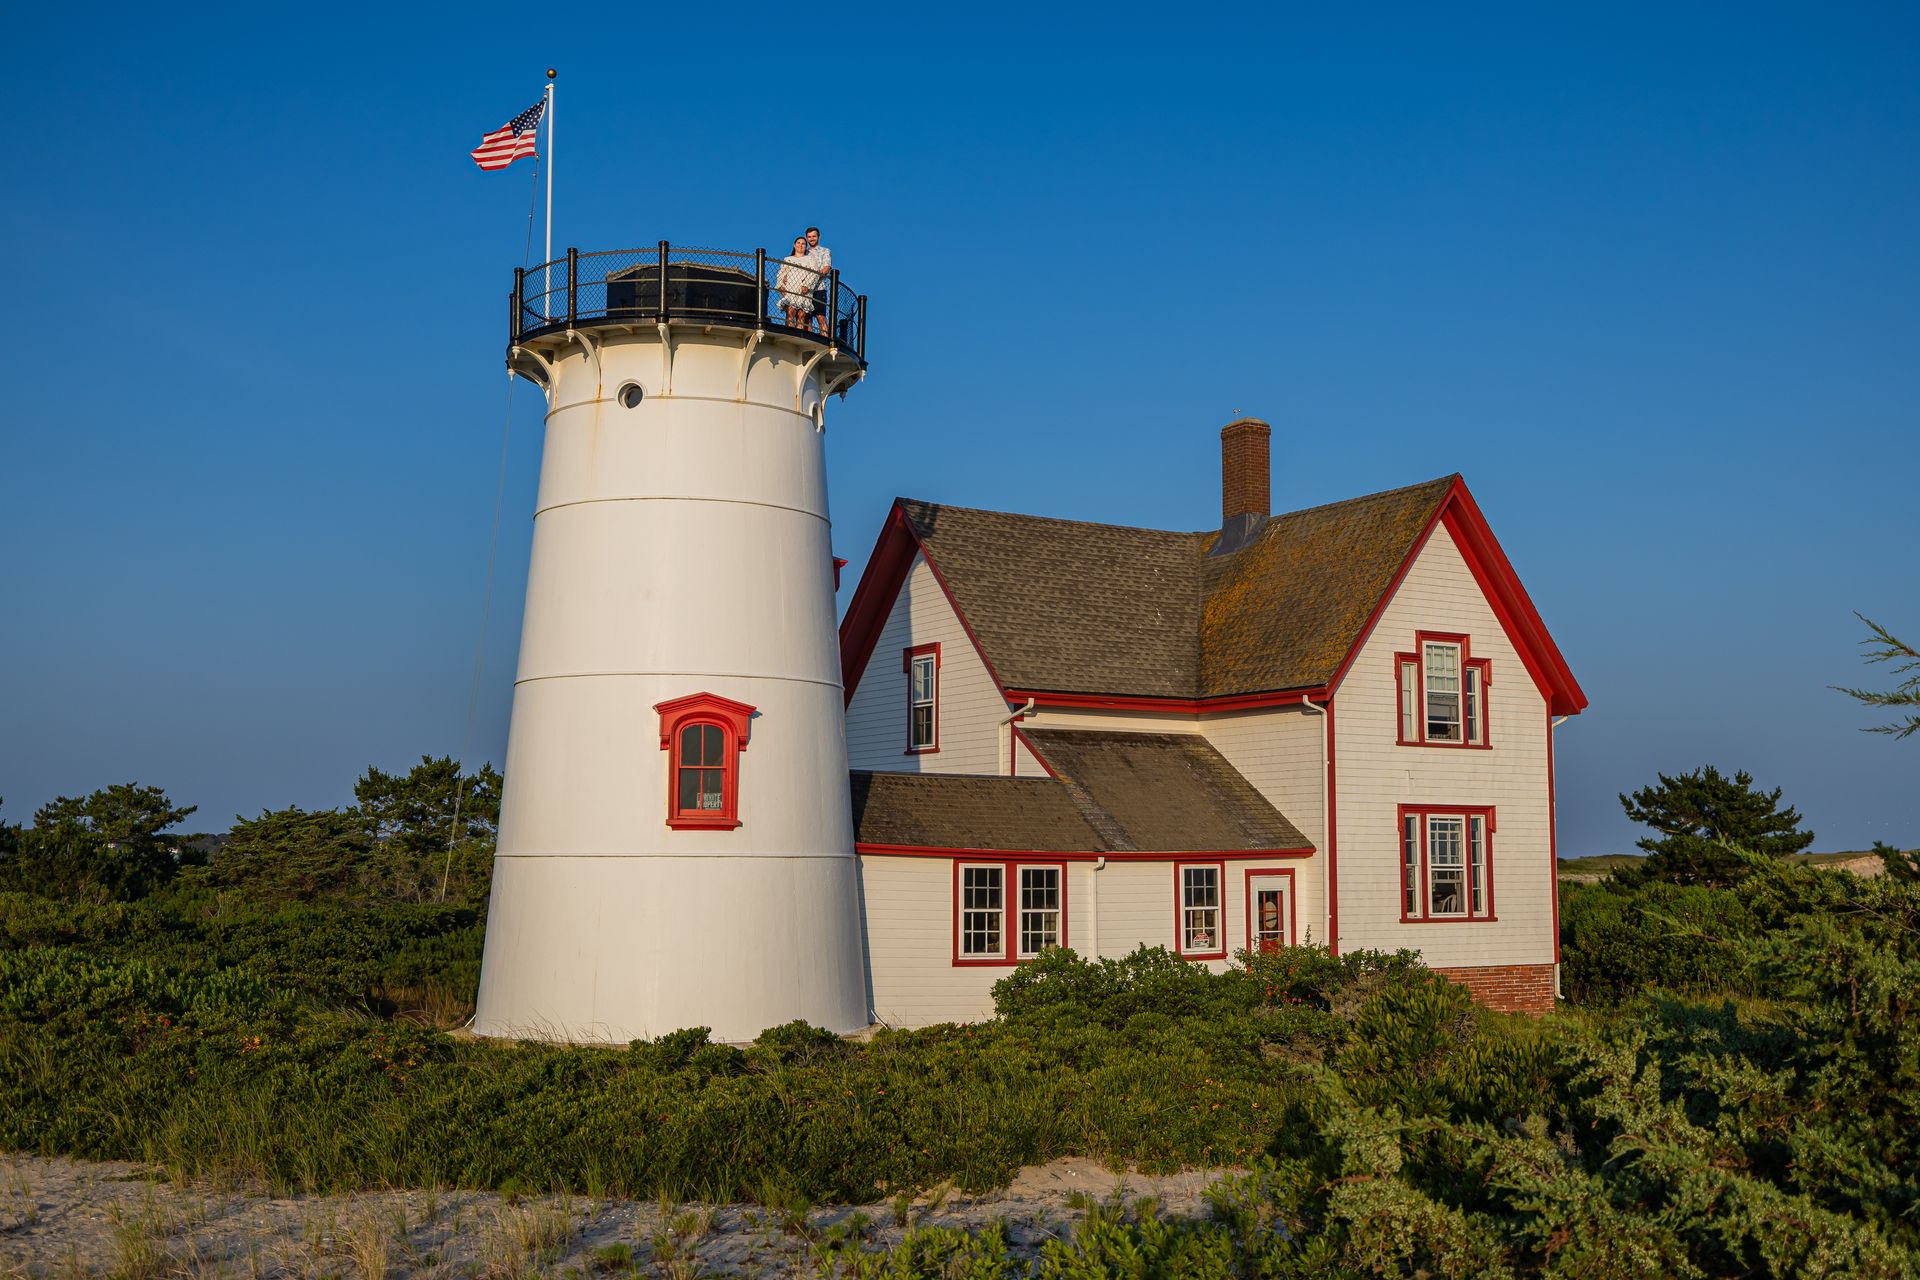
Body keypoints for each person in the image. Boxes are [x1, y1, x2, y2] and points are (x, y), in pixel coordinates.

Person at [774, 234, 817, 330]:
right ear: (794, 245)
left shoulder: (810, 259)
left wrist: (807, 285)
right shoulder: (788, 259)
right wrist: (781, 286)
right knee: (790, 312)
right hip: (791, 287)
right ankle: (789, 331)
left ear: (806, 246)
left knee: (801, 315)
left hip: (804, 289)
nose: (800, 245)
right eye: (798, 243)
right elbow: (781, 274)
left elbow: (814, 273)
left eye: (803, 244)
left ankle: (799, 333)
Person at [804, 226, 832, 336]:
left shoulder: (825, 251)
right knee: (807, 318)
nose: (811, 239)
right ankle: (808, 340)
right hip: (805, 290)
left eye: (814, 236)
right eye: (809, 237)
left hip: (819, 288)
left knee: (821, 316)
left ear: (818, 237)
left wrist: (812, 279)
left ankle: (827, 339)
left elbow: (826, 268)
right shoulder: (804, 252)